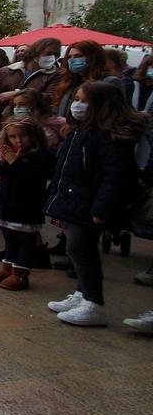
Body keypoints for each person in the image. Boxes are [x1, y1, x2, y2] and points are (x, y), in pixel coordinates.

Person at [45, 82, 143, 326]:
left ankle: (93, 303)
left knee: (81, 248)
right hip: (75, 200)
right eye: (76, 99)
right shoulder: (80, 131)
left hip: (90, 204)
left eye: (84, 100)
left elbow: (117, 177)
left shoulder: (111, 137)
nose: (77, 105)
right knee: (75, 248)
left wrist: (102, 209)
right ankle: (81, 293)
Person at [0, 118, 56, 290]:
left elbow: (32, 176)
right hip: (6, 203)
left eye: (22, 136)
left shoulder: (42, 156)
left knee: (24, 241)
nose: (18, 140)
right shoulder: (10, 152)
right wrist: (1, 161)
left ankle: (21, 273)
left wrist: (14, 162)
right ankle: (8, 267)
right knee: (10, 238)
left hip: (26, 205)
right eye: (13, 137)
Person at [0, 37, 64, 114]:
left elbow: (49, 97)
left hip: (33, 121)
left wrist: (17, 94)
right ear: (36, 52)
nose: (53, 57)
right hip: (0, 119)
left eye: (56, 55)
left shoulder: (57, 74)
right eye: (49, 53)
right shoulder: (7, 70)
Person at [52, 40, 110, 120]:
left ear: (93, 57)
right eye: (70, 57)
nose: (72, 60)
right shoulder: (69, 81)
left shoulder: (108, 81)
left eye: (78, 56)